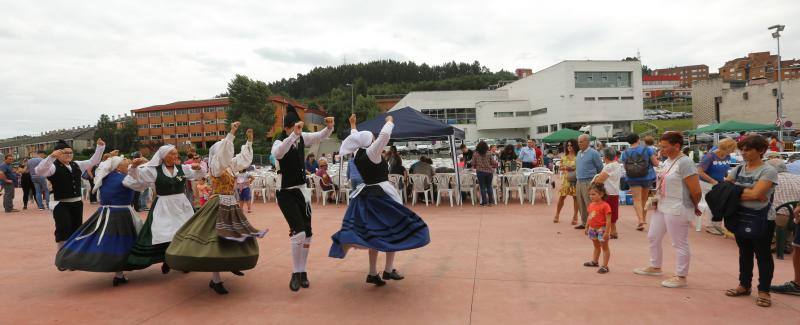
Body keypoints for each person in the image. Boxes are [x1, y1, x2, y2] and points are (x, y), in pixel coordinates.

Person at [166, 123, 267, 295]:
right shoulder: (216, 167)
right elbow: (224, 153)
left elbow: (242, 160)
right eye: (225, 150)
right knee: (216, 243)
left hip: (230, 204)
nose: (228, 153)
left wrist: (249, 142)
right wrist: (231, 134)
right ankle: (216, 280)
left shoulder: (228, 166)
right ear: (219, 153)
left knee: (234, 237)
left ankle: (233, 263)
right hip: (218, 204)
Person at [329, 114, 430, 286]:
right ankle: (388, 270)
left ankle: (373, 272)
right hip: (382, 196)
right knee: (393, 231)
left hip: (367, 195)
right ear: (369, 141)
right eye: (372, 138)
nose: (374, 139)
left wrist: (353, 124)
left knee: (374, 235)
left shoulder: (358, 153)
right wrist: (390, 121)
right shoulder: (372, 152)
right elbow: (384, 136)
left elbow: (356, 138)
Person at [55, 155, 147, 286]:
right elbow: (141, 186)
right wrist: (139, 167)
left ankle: (118, 273)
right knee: (124, 241)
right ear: (118, 167)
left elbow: (102, 169)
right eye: (127, 164)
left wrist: (134, 167)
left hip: (104, 213)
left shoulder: (104, 177)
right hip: (121, 213)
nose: (129, 165)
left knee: (106, 240)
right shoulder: (124, 178)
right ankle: (119, 273)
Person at [271, 104, 334, 292]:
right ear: (288, 127)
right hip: (285, 193)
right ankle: (295, 272)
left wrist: (329, 127)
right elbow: (278, 153)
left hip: (301, 191)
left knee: (307, 234)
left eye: (299, 127)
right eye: (295, 127)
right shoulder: (280, 141)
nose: (298, 130)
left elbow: (319, 136)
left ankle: (303, 271)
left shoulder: (301, 137)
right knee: (298, 233)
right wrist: (293, 135)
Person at [634, 132, 701, 289]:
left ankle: (681, 275)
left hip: (677, 206)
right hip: (663, 204)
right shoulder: (667, 161)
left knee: (679, 242)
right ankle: (655, 266)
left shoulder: (685, 162)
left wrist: (693, 205)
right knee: (653, 236)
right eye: (660, 146)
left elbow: (696, 191)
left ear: (676, 146)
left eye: (664, 146)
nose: (661, 149)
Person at [126, 144, 206, 273]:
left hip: (181, 204)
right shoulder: (154, 170)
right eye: (172, 153)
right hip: (163, 205)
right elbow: (136, 176)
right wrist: (134, 166)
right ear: (164, 156)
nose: (176, 156)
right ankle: (166, 259)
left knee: (183, 232)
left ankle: (183, 261)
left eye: (176, 153)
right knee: (165, 233)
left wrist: (199, 168)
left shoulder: (183, 168)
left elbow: (198, 175)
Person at [724, 135, 778, 307]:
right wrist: (750, 192)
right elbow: (725, 189)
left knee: (763, 255)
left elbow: (756, 195)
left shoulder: (768, 170)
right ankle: (744, 285)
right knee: (744, 253)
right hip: (740, 216)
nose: (744, 153)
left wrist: (737, 191)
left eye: (748, 149)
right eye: (742, 149)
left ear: (761, 151)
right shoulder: (739, 168)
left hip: (762, 218)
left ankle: (764, 291)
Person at [35, 140, 106, 248]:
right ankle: (62, 254)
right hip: (60, 204)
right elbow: (39, 171)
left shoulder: (77, 164)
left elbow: (93, 161)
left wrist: (100, 147)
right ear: (58, 154)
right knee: (63, 229)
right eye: (65, 153)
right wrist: (51, 157)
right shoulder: (53, 167)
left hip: (77, 203)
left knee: (77, 229)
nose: (69, 155)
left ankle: (74, 254)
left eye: (70, 152)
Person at [620, 133, 660, 231]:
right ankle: (644, 218)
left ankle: (640, 220)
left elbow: (625, 166)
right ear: (638, 139)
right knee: (644, 198)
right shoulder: (647, 149)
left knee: (636, 199)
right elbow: (655, 163)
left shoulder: (625, 152)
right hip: (647, 176)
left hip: (633, 178)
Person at [697, 138, 735, 235]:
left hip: (719, 183)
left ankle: (717, 225)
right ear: (725, 147)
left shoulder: (727, 156)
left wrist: (728, 178)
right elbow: (700, 171)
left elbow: (725, 169)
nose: (732, 151)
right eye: (731, 149)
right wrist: (712, 181)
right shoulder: (709, 156)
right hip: (706, 183)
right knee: (714, 203)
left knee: (722, 203)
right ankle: (710, 226)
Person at [575, 135, 604, 230]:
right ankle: (584, 222)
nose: (579, 144)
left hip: (589, 181)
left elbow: (600, 167)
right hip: (579, 181)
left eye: (581, 142)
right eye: (579, 142)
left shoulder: (594, 153)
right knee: (581, 203)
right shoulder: (579, 153)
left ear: (587, 142)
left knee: (590, 203)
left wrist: (597, 182)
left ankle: (594, 223)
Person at [583, 184, 612, 274]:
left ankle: (605, 266)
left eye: (594, 194)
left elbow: (608, 220)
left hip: (601, 229)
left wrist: (607, 232)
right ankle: (595, 261)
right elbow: (590, 216)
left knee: (605, 247)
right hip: (592, 229)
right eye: (590, 194)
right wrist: (587, 226)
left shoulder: (605, 206)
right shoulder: (591, 205)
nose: (591, 196)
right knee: (596, 246)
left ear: (601, 194)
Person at [593, 147, 622, 239]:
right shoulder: (617, 164)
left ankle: (606, 232)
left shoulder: (609, 166)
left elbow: (600, 180)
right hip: (614, 192)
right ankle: (613, 232)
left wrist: (595, 179)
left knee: (606, 213)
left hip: (608, 193)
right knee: (612, 213)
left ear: (605, 157)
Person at [554, 139, 579, 224]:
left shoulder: (578, 156)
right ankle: (557, 214)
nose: (569, 147)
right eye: (568, 145)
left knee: (576, 198)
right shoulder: (564, 156)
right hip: (566, 180)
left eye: (571, 145)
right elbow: (560, 167)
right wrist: (566, 168)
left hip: (575, 180)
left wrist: (573, 168)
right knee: (562, 197)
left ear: (575, 146)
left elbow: (580, 167)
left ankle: (575, 216)